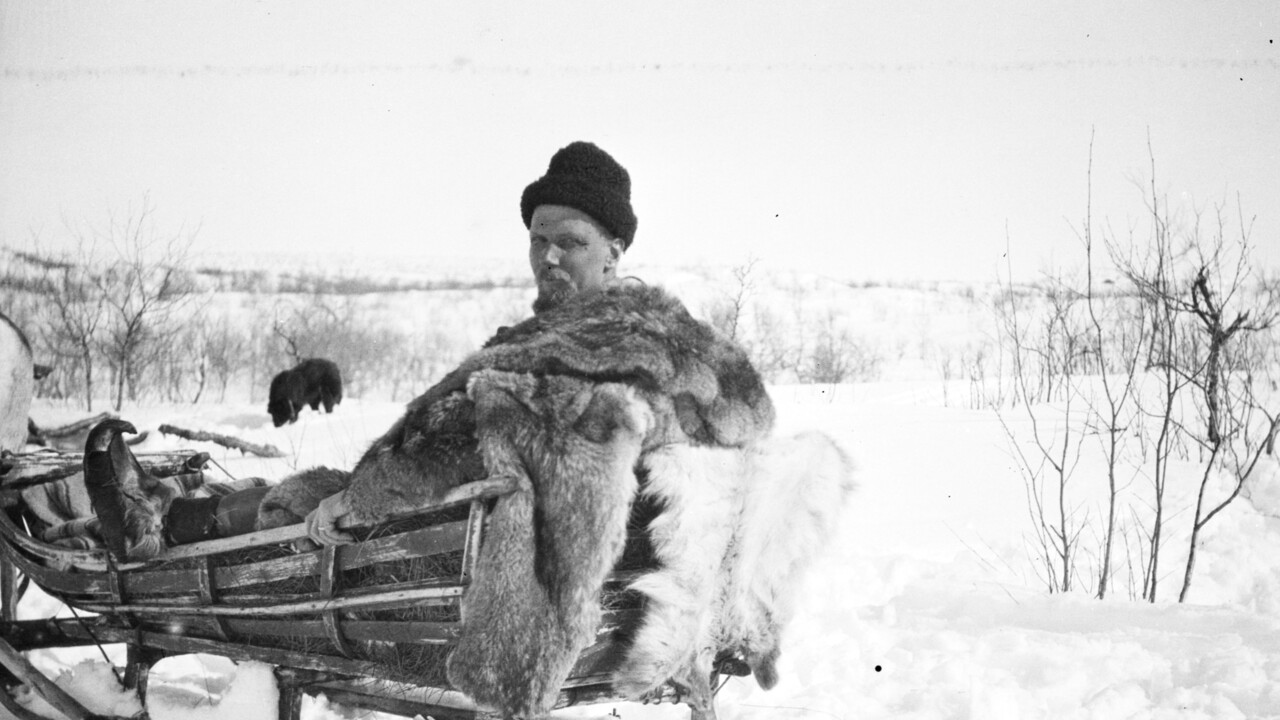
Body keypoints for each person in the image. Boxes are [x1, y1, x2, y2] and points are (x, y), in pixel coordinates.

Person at [306, 140, 640, 545]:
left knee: (283, 519)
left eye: (570, 243)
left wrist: (358, 498)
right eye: (538, 240)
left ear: (613, 253)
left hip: (520, 553)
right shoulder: (547, 339)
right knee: (281, 500)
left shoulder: (611, 342)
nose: (548, 257)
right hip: (476, 521)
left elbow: (476, 438)